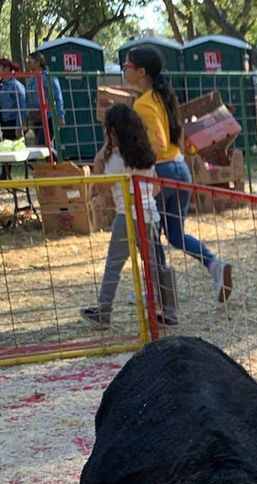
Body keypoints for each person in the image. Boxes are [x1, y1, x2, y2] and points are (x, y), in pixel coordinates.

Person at [122, 45, 233, 303]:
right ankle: (214, 264)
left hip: (160, 173)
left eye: (127, 66)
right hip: (180, 170)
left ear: (141, 71)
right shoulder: (163, 97)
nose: (124, 70)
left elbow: (158, 143)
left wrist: (137, 158)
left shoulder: (143, 104)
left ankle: (157, 289)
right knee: (175, 234)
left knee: (149, 235)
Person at [81, 104, 177, 329]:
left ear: (114, 132)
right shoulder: (146, 156)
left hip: (127, 216)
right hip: (150, 215)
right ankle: (169, 311)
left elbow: (101, 186)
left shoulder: (115, 159)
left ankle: (104, 312)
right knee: (156, 265)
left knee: (113, 265)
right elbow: (156, 188)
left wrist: (102, 154)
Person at [0, 58, 27, 180]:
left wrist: (20, 125)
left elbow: (21, 106)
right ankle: (5, 173)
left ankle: (6, 174)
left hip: (12, 121)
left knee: (11, 147)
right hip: (3, 121)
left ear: (7, 69)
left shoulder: (15, 86)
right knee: (6, 146)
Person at [24, 52, 65, 160]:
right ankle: (52, 166)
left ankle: (56, 165)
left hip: (49, 117)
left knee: (43, 145)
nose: (27, 63)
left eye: (30, 61)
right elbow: (29, 99)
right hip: (36, 118)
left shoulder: (47, 77)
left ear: (38, 62)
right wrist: (27, 116)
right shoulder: (31, 79)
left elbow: (57, 96)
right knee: (44, 146)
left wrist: (60, 115)